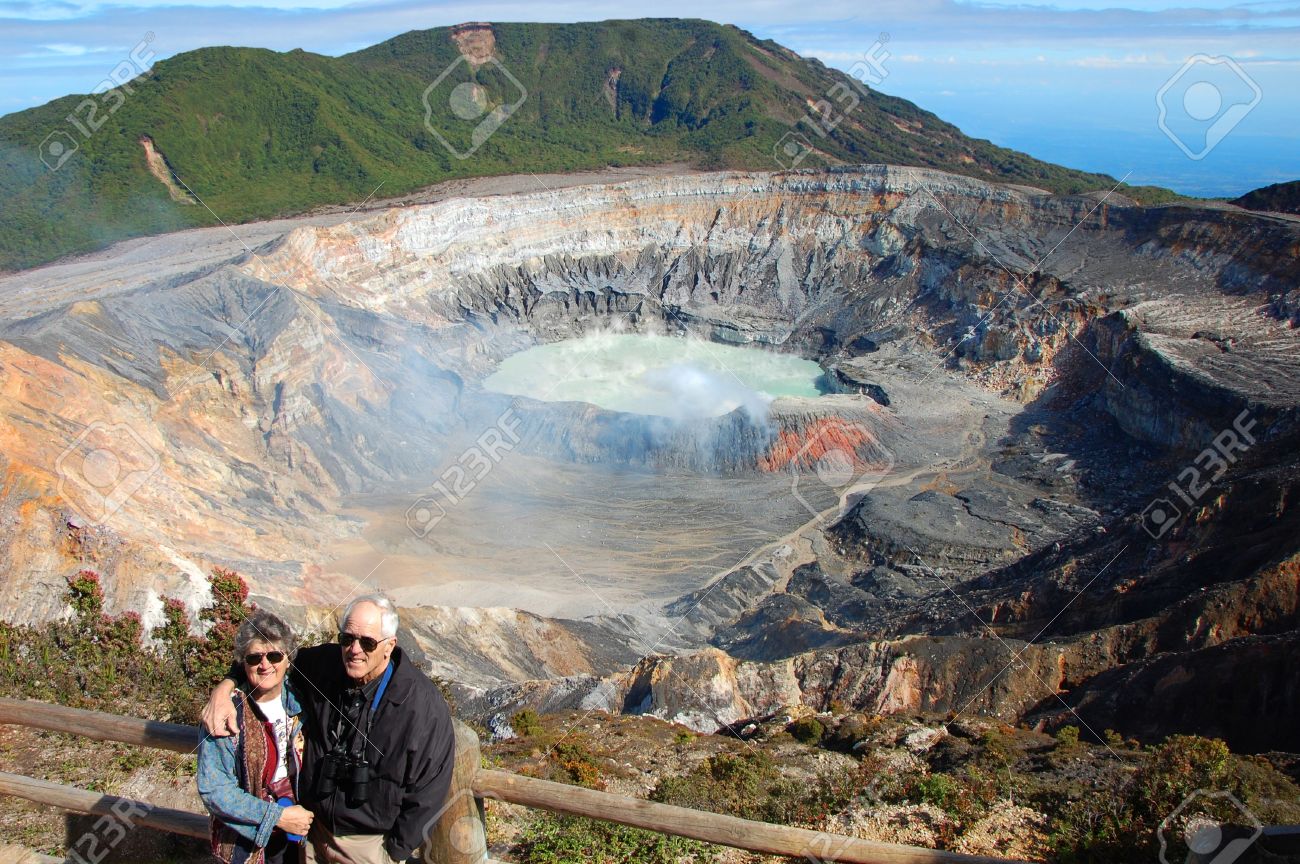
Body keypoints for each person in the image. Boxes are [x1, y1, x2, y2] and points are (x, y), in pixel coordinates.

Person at [202, 595, 455, 864]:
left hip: (368, 845)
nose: (354, 649)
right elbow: (269, 662)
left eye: (367, 642)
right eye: (347, 639)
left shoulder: (420, 704)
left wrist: (396, 850)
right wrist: (225, 687)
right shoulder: (324, 665)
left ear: (389, 646)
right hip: (312, 835)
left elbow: (430, 788)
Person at [197, 609, 314, 864]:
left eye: (274, 655)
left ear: (288, 659)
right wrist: (276, 817)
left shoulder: (302, 699)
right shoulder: (226, 713)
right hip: (244, 841)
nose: (265, 665)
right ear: (243, 662)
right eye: (254, 658)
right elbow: (214, 789)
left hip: (298, 831)